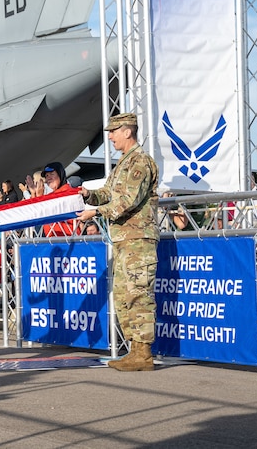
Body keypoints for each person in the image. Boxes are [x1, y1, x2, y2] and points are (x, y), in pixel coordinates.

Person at [76, 113, 159, 372]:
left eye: (113, 132)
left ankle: (143, 353)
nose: (110, 137)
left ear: (127, 132)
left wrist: (95, 212)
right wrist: (88, 195)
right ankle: (135, 351)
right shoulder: (122, 163)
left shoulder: (140, 162)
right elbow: (108, 194)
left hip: (138, 240)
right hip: (124, 240)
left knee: (139, 295)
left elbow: (128, 201)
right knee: (124, 296)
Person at [38, 162, 79, 237]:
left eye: (52, 174)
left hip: (68, 240)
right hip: (53, 241)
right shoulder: (50, 196)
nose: (48, 178)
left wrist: (39, 197)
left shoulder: (70, 192)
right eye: (46, 176)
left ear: (60, 174)